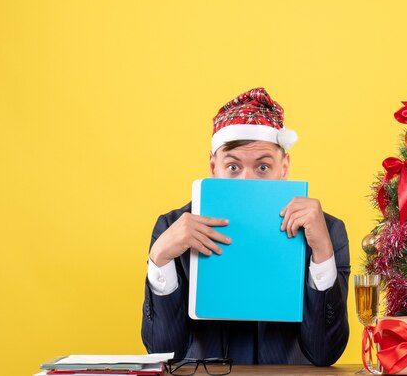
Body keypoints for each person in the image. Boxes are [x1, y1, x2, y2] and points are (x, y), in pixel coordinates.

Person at [141, 88, 350, 366]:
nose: (247, 180)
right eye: (233, 167)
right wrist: (160, 261)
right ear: (213, 166)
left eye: (263, 167)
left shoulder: (327, 231)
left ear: (284, 168)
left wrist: (322, 253)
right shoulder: (171, 228)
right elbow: (164, 353)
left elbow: (325, 354)